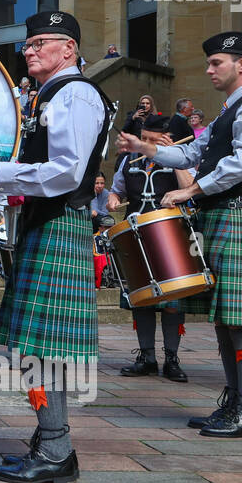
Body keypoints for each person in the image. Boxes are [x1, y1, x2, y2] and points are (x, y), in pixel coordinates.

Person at [0, 11, 113, 483]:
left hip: (59, 223)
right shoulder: (52, 95)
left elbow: (68, 170)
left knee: (45, 345)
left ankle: (56, 450)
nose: (28, 50)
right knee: (38, 344)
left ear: (69, 49)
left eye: (41, 43)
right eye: (27, 44)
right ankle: (50, 442)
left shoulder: (76, 93)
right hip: (44, 223)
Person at [118, 31, 242, 438]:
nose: (209, 70)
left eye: (216, 63)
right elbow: (192, 154)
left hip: (237, 216)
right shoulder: (229, 110)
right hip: (218, 217)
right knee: (226, 319)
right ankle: (234, 403)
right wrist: (146, 148)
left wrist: (192, 189)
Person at [106, 114, 193, 382]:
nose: (144, 145)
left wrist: (171, 155)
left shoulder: (183, 159)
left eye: (151, 141)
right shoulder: (128, 162)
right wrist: (112, 197)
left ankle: (172, 359)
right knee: (142, 300)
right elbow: (116, 190)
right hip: (137, 235)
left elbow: (191, 188)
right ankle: (146, 357)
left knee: (172, 304)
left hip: (170, 236)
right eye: (143, 139)